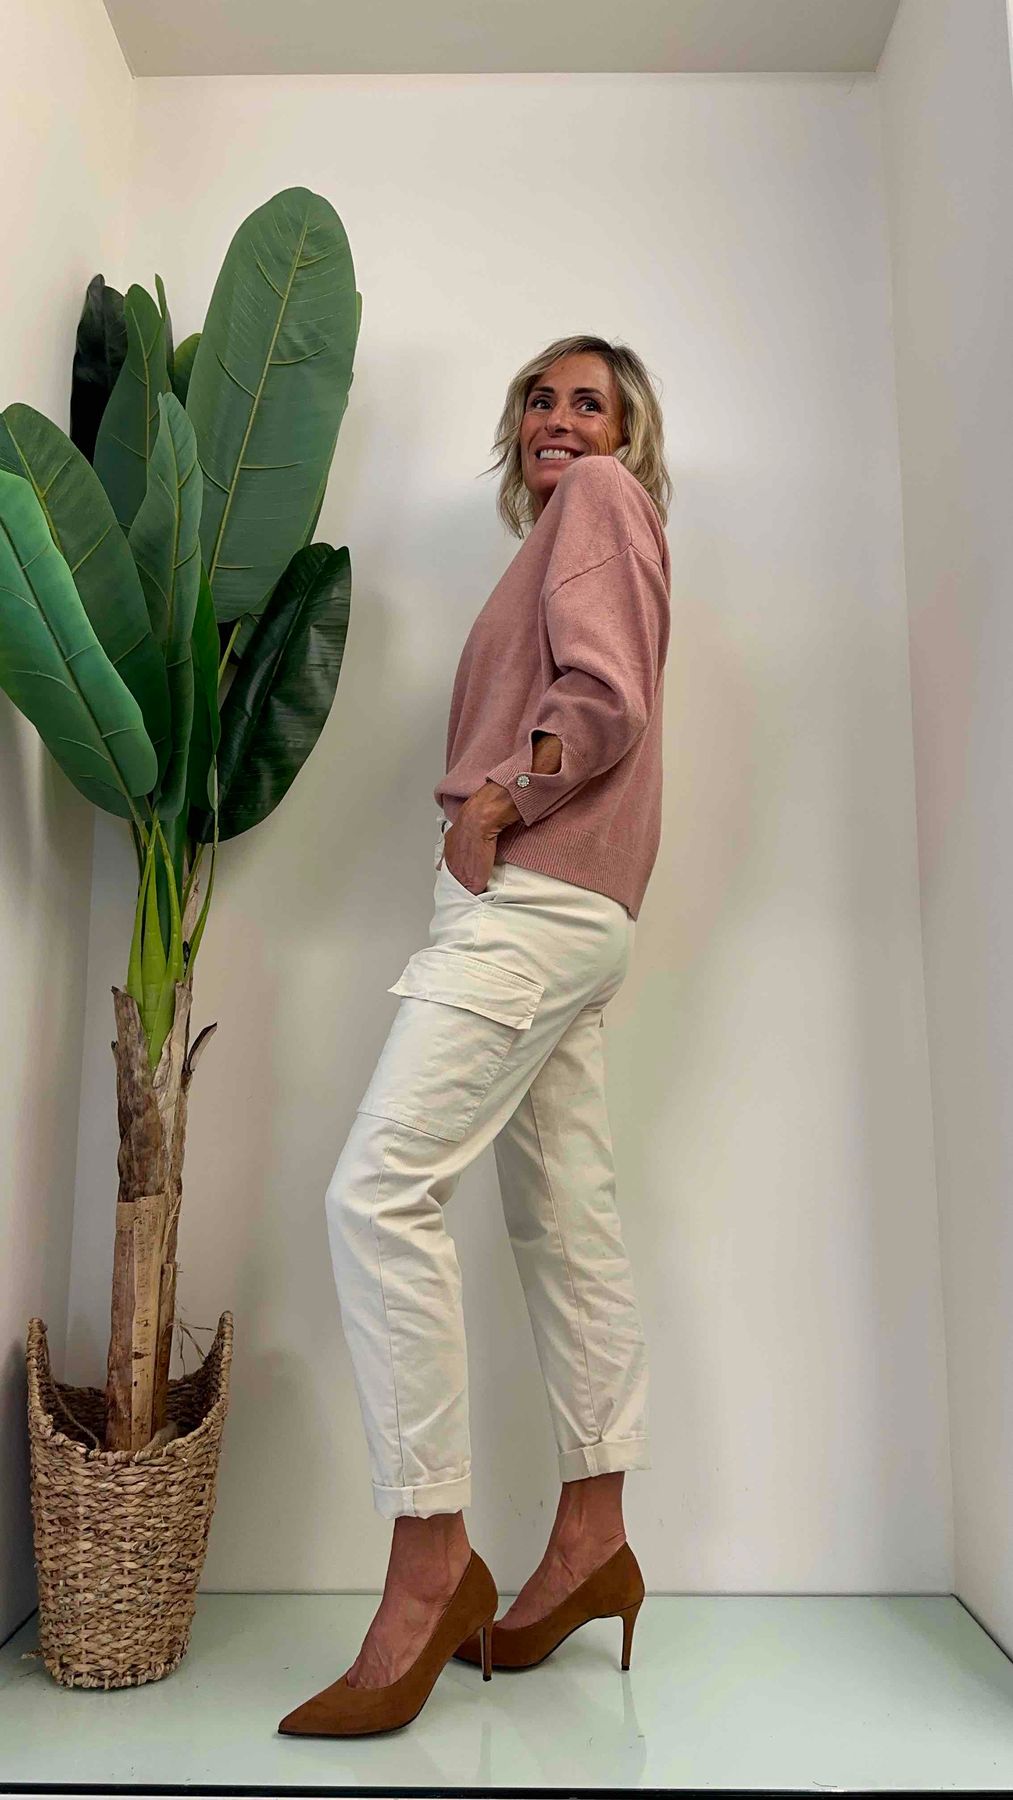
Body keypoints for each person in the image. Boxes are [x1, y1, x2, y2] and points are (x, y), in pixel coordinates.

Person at [279, 334, 673, 1738]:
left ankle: (430, 1557)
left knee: (375, 1193)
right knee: (566, 1222)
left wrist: (500, 798)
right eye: (538, 399)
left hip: (534, 901)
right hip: (581, 910)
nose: (558, 420)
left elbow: (605, 698)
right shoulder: (576, 530)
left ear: (627, 437)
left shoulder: (599, 504)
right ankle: (593, 1537)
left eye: (589, 403)